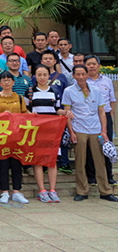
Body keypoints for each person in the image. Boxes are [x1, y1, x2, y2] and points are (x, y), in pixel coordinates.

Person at [63, 65, 118, 202]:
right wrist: (71, 132)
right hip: (79, 129)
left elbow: (101, 111)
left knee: (100, 161)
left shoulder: (96, 90)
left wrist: (104, 131)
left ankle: (105, 191)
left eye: (83, 74)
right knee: (80, 161)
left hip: (95, 129)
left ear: (87, 74)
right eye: (78, 74)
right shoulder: (68, 91)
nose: (81, 77)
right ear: (73, 76)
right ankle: (82, 191)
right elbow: (67, 113)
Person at [30, 65, 72, 203]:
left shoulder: (54, 92)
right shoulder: (30, 92)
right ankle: (42, 190)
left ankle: (52, 190)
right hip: (36, 131)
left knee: (52, 160)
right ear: (34, 76)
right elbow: (25, 110)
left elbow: (57, 109)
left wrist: (65, 112)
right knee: (38, 161)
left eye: (44, 74)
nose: (42, 77)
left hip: (51, 131)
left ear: (49, 76)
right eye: (39, 74)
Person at [0, 71, 30, 204]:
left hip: (16, 135)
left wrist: (34, 116)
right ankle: (4, 191)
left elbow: (24, 113)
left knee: (16, 163)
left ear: (13, 82)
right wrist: (1, 115)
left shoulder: (19, 98)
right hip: (0, 135)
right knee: (2, 164)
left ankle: (17, 191)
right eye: (3, 80)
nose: (6, 82)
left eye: (9, 80)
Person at [85, 55, 117, 186]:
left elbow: (112, 100)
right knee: (90, 147)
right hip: (89, 118)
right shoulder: (82, 81)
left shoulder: (107, 81)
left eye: (94, 64)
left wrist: (110, 116)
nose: (91, 66)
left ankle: (109, 175)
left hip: (105, 117)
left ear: (99, 66)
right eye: (89, 64)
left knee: (106, 145)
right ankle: (91, 177)